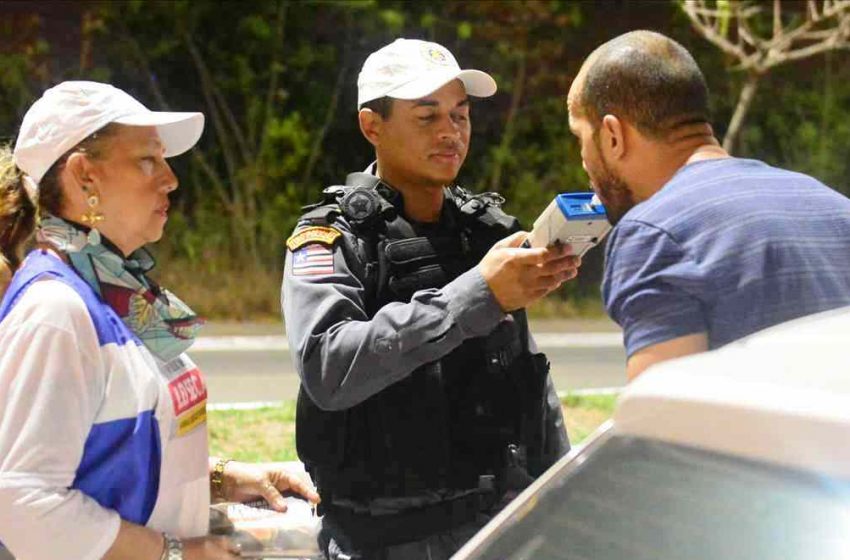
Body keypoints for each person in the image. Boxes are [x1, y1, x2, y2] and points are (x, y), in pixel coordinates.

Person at [282, 38, 580, 560]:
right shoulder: (334, 238)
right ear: (372, 127)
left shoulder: (484, 231)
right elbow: (327, 366)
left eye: (460, 116)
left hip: (498, 526)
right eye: (427, 117)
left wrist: (567, 490)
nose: (450, 133)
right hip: (385, 540)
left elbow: (528, 376)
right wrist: (477, 295)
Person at [0, 81, 318, 560]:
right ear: (85, 175)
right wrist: (175, 553)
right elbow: (21, 503)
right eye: (148, 160)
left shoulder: (117, 292)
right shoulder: (56, 311)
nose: (170, 178)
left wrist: (219, 479)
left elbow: (108, 457)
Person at [566, 30, 850, 381]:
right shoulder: (835, 208)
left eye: (580, 136)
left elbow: (664, 422)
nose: (582, 159)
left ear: (612, 136)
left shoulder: (655, 234)